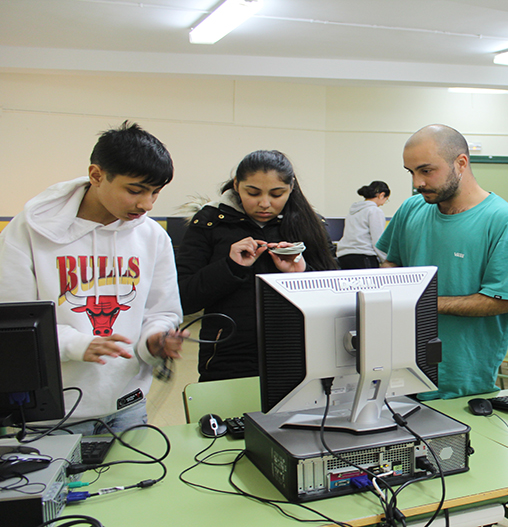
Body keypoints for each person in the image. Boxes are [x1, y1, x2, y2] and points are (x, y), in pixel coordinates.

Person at [0, 121, 187, 435]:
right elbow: (13, 326)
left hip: (126, 404)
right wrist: (76, 344)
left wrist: (156, 338)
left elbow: (162, 312)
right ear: (97, 175)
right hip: (53, 413)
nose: (147, 204)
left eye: (155, 192)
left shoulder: (152, 236)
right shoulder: (29, 231)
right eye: (135, 190)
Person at [376, 124, 508, 400]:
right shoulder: (411, 209)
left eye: (426, 171)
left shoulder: (504, 222)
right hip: (399, 372)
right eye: (411, 172)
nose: (417, 182)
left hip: (462, 382)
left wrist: (424, 303)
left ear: (461, 163)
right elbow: (392, 262)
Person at [176, 150, 337, 382]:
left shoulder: (310, 224)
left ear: (291, 188)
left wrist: (301, 274)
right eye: (252, 193)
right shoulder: (209, 223)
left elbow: (335, 295)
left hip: (298, 356)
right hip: (227, 358)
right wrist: (230, 267)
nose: (264, 204)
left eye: (277, 194)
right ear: (236, 185)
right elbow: (184, 297)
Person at [336, 180, 390, 269]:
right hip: (364, 256)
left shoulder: (353, 211)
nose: (383, 203)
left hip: (344, 256)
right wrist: (386, 260)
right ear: (381, 195)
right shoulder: (374, 211)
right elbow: (378, 240)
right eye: (386, 199)